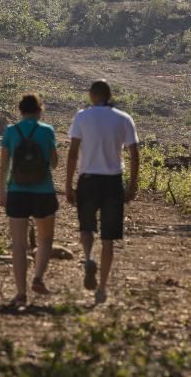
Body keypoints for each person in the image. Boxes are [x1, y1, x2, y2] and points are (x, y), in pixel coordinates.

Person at [65, 79, 139, 304]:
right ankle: (102, 289)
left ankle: (88, 257)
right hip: (112, 183)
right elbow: (134, 155)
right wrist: (132, 185)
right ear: (109, 95)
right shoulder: (123, 119)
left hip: (88, 180)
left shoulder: (82, 117)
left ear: (91, 95)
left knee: (86, 228)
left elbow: (72, 153)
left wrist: (68, 184)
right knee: (109, 239)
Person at [0, 93, 60, 307]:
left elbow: (4, 164)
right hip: (43, 192)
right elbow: (53, 164)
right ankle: (38, 278)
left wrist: (2, 191)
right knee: (45, 239)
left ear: (20, 110)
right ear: (39, 110)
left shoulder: (11, 131)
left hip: (17, 191)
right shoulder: (47, 131)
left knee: (18, 244)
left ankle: (21, 293)